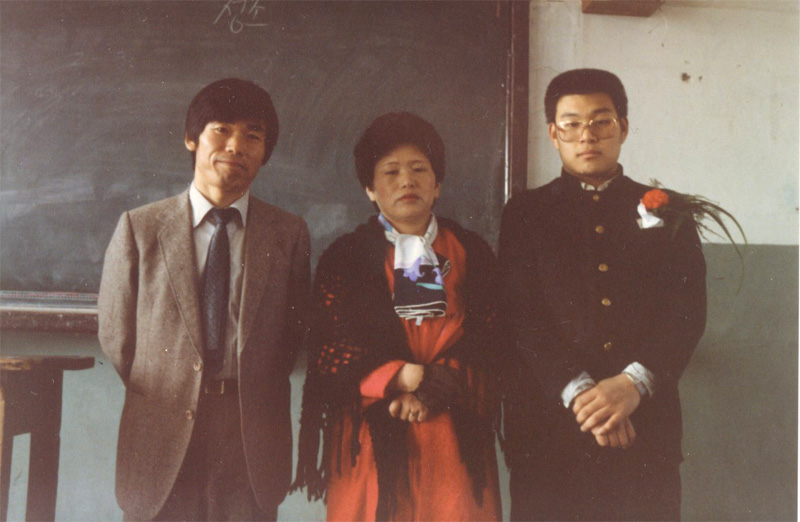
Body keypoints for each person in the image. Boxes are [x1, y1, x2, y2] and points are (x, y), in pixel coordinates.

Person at [499, 69, 707, 521]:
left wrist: (632, 385)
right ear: (553, 134)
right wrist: (582, 396)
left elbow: (687, 313)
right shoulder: (525, 212)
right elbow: (521, 316)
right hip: (550, 434)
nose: (586, 135)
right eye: (571, 123)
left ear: (623, 127)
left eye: (601, 121)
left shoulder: (669, 209)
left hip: (644, 429)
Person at [98, 78, 310, 521]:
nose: (236, 146)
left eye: (253, 135)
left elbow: (288, 341)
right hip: (161, 427)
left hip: (249, 434)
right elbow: (118, 339)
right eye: (222, 129)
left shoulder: (288, 234)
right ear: (192, 138)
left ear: (265, 151)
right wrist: (174, 381)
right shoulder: (141, 228)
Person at [292, 112, 502, 521]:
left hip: (452, 431)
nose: (407, 181)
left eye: (419, 169)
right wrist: (399, 378)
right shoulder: (345, 258)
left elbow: (492, 340)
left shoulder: (471, 251)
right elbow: (331, 349)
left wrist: (433, 387)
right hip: (371, 432)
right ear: (370, 189)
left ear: (437, 184)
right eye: (391, 172)